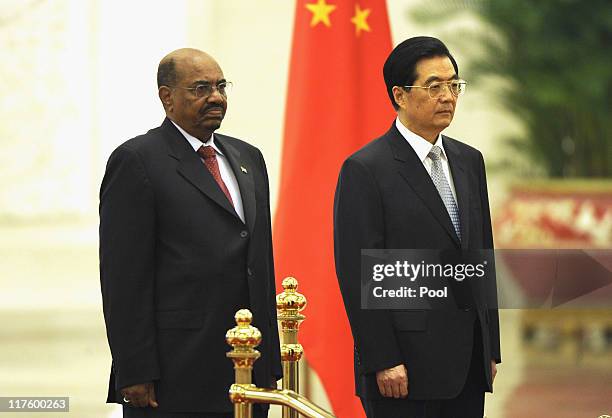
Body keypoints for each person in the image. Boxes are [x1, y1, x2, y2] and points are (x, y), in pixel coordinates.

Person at [99, 48, 281, 418]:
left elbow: (259, 261)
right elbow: (123, 278)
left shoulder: (249, 157)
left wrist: (269, 363)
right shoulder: (138, 160)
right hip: (175, 370)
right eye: (200, 88)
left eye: (220, 86)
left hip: (248, 362)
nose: (216, 97)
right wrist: (135, 369)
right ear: (167, 97)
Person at [333, 37, 501, 418]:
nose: (448, 96)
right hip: (404, 368)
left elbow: (480, 256)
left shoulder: (468, 160)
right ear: (400, 95)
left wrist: (490, 347)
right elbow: (358, 272)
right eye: (434, 86)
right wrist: (383, 359)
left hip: (468, 364)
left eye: (454, 84)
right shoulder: (366, 168)